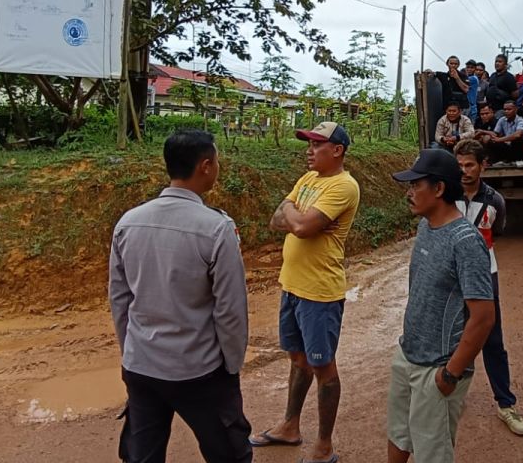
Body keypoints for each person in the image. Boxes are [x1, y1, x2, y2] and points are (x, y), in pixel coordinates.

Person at [109, 131, 252, 462]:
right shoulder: (216, 229)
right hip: (199, 370)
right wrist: (230, 367)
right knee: (229, 453)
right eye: (217, 161)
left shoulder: (128, 223)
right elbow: (230, 309)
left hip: (141, 366)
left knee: (142, 454)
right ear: (205, 166)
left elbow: (120, 299)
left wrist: (131, 349)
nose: (218, 167)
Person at [250, 123, 360, 462]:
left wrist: (295, 217)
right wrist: (298, 219)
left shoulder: (344, 185)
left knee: (324, 368)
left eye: (316, 144)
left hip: (320, 293)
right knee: (298, 360)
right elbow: (277, 219)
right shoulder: (308, 179)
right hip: (292, 285)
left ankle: (324, 446)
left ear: (337, 150)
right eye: (308, 143)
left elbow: (296, 224)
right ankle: (290, 427)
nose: (309, 150)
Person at [388, 150, 496, 463]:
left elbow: (484, 317)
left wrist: (450, 374)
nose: (409, 193)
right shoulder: (425, 227)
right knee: (398, 433)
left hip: (437, 367)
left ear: (438, 189)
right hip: (408, 354)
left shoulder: (465, 240)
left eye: (415, 186)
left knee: (431, 453)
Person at [453, 140, 523, 437]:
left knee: (492, 341)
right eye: (459, 165)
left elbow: (496, 233)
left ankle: (506, 404)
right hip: (452, 278)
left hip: (486, 276)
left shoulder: (495, 200)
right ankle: (452, 393)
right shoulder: (445, 196)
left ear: (483, 165)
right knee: (452, 336)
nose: (464, 171)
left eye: (470, 164)